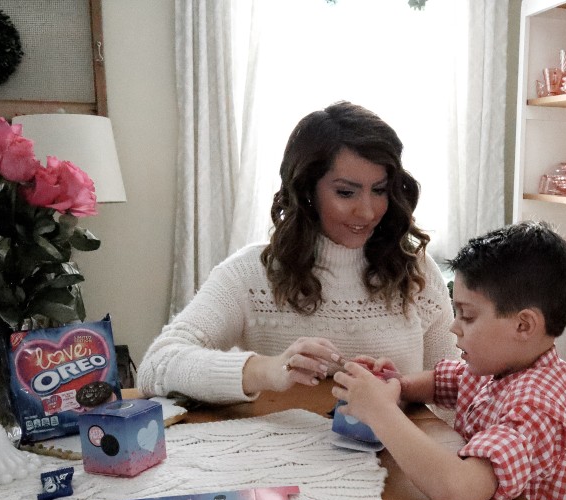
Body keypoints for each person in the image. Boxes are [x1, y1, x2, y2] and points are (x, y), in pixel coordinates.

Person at [138, 102, 458, 403]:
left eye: (379, 190)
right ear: (306, 191)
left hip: (395, 454)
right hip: (279, 455)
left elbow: (458, 388)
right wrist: (269, 370)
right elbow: (157, 364)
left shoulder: (416, 270)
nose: (367, 211)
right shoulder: (251, 273)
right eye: (345, 192)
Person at [333, 220, 566, 500]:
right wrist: (398, 386)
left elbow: (458, 492)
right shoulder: (499, 364)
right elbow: (447, 382)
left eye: (467, 317)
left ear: (523, 325)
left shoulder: (540, 409)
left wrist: (381, 412)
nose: (454, 328)